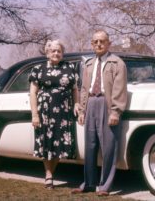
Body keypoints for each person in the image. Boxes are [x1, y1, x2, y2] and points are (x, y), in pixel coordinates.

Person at [72, 30, 128, 196]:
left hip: (107, 104)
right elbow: (83, 89)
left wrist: (115, 112)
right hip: (90, 103)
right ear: (92, 44)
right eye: (95, 42)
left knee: (108, 146)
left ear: (109, 43)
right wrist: (82, 110)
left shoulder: (117, 63)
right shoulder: (88, 64)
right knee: (90, 145)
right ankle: (89, 183)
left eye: (102, 41)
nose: (98, 44)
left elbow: (120, 89)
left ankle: (104, 186)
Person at [29, 39, 79, 189]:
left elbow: (75, 89)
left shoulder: (70, 67)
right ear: (47, 53)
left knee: (59, 143)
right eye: (53, 51)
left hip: (64, 111)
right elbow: (33, 92)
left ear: (62, 53)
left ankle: (51, 171)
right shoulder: (38, 69)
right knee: (46, 143)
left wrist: (76, 103)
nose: (56, 53)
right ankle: (48, 174)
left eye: (59, 51)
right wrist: (35, 114)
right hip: (45, 111)